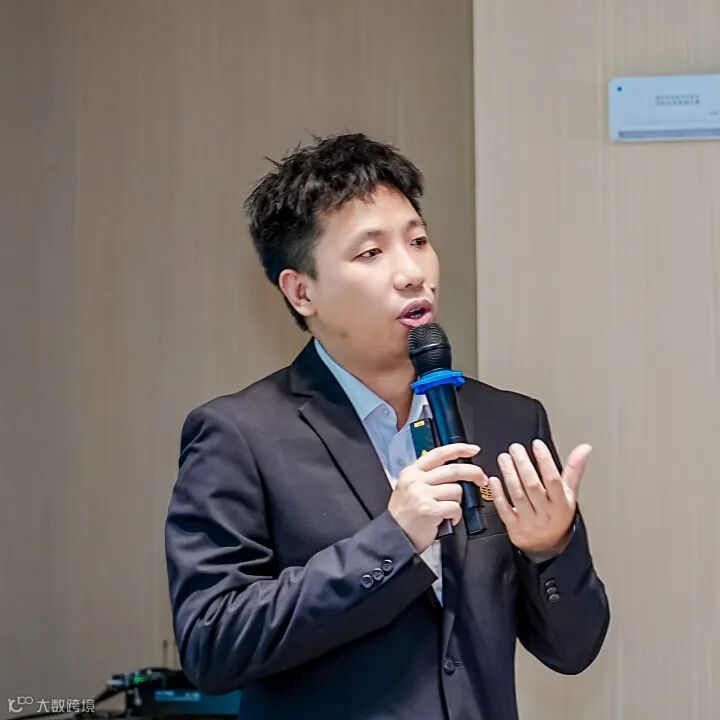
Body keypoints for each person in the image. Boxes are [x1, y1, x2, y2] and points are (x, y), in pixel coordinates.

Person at [164, 133, 609, 720]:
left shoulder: (508, 420)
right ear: (301, 291)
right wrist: (393, 540)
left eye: (418, 241)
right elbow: (213, 643)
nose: (411, 272)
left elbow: (574, 650)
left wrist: (551, 549)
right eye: (370, 253)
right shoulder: (239, 435)